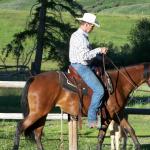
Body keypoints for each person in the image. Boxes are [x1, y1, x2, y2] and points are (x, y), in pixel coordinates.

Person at [69, 13, 108, 128]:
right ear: (86, 24)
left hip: (81, 65)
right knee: (100, 90)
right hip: (80, 66)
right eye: (92, 26)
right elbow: (84, 57)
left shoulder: (81, 36)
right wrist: (98, 49)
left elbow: (87, 55)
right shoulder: (80, 37)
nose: (93, 28)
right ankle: (92, 118)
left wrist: (100, 57)